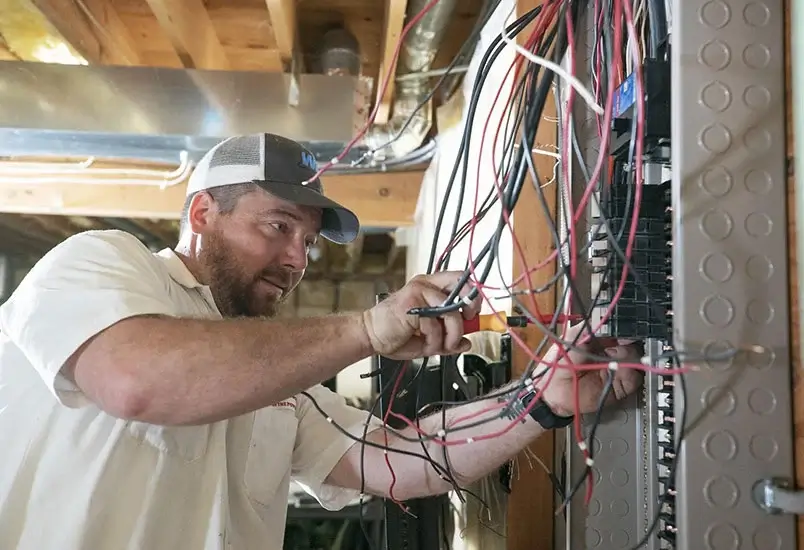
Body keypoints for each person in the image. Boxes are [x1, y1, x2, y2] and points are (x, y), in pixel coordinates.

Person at [0, 133, 642, 549]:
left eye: (307, 242)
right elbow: (136, 380)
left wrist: (540, 401)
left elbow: (394, 459)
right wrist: (366, 329)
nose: (295, 259)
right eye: (278, 227)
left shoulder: (271, 383)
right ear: (202, 214)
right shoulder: (99, 263)